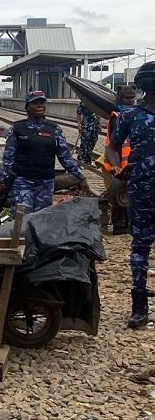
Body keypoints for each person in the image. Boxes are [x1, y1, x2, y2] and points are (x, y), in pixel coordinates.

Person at [106, 62, 155, 328]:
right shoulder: (130, 116)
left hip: (141, 188)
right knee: (140, 247)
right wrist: (116, 167)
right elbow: (113, 148)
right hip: (142, 189)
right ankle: (139, 306)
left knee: (140, 246)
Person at [0, 91, 90, 214]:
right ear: (27, 107)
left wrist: (81, 177)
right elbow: (8, 158)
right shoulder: (17, 129)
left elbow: (65, 158)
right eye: (35, 103)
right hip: (22, 181)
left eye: (42, 103)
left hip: (45, 183)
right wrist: (0, 180)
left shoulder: (54, 130)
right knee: (21, 217)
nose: (39, 106)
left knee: (42, 219)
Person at [104, 85, 137, 235]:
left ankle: (128, 223)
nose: (130, 101)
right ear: (120, 99)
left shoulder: (138, 115)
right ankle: (119, 225)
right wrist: (115, 165)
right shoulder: (117, 117)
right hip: (119, 162)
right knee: (119, 194)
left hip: (131, 162)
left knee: (131, 194)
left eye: (132, 97)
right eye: (127, 98)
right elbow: (113, 144)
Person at [76, 101, 100, 165]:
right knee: (84, 144)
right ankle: (80, 160)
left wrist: (99, 125)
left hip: (95, 127)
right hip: (86, 126)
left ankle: (88, 161)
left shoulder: (95, 101)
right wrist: (79, 125)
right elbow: (78, 114)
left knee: (92, 144)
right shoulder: (82, 102)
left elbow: (98, 114)